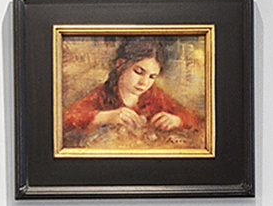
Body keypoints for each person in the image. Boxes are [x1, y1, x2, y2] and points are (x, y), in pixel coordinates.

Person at [65, 32, 209, 148]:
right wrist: (106, 117)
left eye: (152, 76)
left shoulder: (154, 96)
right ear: (121, 65)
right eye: (139, 72)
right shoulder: (102, 94)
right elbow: (67, 120)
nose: (144, 82)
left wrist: (177, 120)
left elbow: (196, 119)